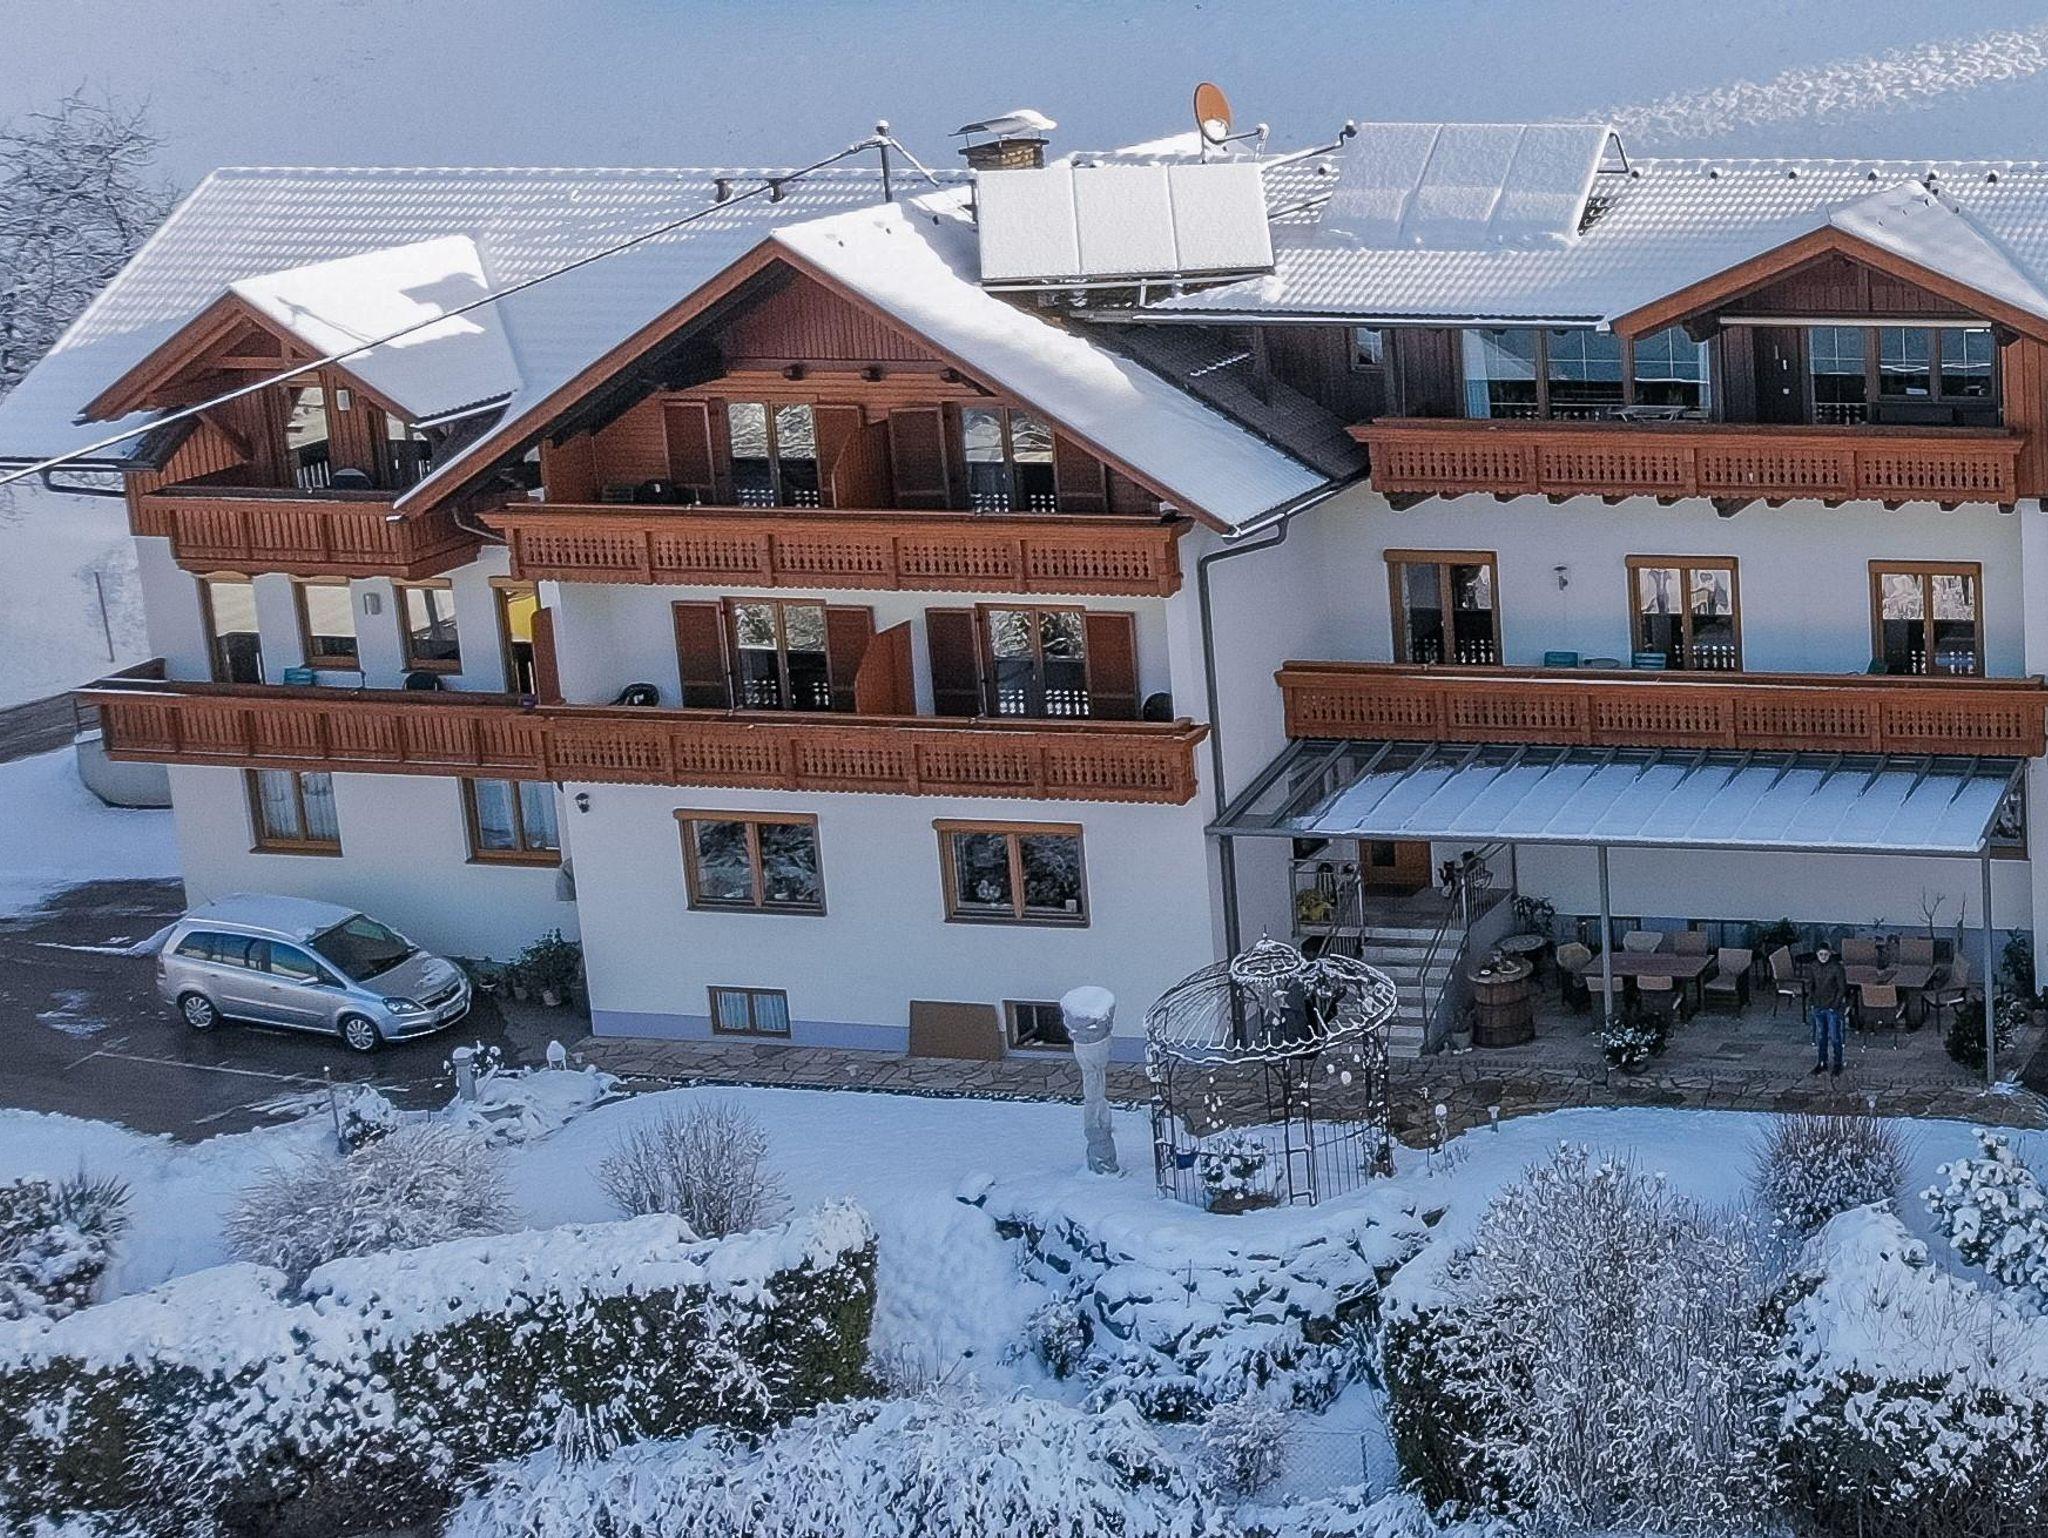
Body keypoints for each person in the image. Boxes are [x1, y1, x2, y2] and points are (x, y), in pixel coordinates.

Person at [1809, 944, 1847, 1077]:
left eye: (1825, 954)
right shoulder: (1813, 966)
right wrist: (1812, 1001)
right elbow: (1811, 984)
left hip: (1832, 1007)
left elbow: (1842, 988)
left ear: (1830, 954)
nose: (1823, 957)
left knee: (1835, 1036)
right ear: (1817, 954)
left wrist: (1835, 1005)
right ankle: (1822, 1062)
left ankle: (1838, 1063)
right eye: (1821, 954)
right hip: (1818, 1005)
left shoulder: (1837, 967)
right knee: (1821, 1036)